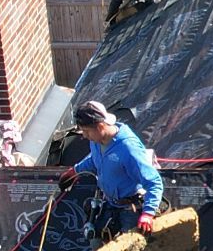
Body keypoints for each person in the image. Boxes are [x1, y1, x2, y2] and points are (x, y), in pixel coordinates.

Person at [70, 99, 164, 237]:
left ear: (101, 126)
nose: (84, 136)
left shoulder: (128, 149)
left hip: (131, 208)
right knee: (97, 241)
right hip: (111, 204)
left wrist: (148, 213)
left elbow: (154, 182)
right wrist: (75, 171)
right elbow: (95, 159)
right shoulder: (97, 141)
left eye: (86, 131)